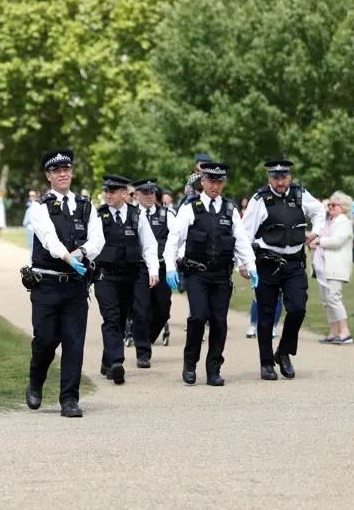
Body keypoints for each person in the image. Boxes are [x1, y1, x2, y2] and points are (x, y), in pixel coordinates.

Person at [25, 149, 105, 418]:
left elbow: (97, 239)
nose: (63, 174)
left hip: (75, 286)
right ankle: (36, 380)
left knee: (73, 342)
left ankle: (69, 399)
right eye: (57, 171)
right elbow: (47, 237)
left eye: (66, 170)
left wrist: (82, 253)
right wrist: (67, 255)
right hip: (46, 284)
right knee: (46, 340)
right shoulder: (40, 206)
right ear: (48, 176)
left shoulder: (86, 205)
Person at [164, 162, 257, 386]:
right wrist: (169, 267)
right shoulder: (190, 207)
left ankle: (214, 368)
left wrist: (250, 265)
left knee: (219, 322)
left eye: (219, 182)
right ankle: (190, 363)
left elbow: (242, 241)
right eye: (211, 181)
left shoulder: (229, 209)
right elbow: (174, 240)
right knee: (197, 317)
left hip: (221, 276)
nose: (215, 186)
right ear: (202, 182)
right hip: (197, 273)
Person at [241, 160, 325, 381]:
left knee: (297, 309)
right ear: (269, 178)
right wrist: (243, 262)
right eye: (276, 177)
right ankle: (266, 363)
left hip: (294, 263)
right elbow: (245, 233)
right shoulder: (259, 199)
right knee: (266, 315)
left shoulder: (300, 195)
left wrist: (315, 232)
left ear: (290, 176)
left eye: (284, 177)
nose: (280, 181)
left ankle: (284, 352)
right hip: (267, 263)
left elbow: (319, 212)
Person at [93, 174, 158, 384]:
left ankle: (107, 361)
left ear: (123, 193)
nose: (108, 195)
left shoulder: (137, 216)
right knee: (111, 318)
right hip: (105, 276)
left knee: (121, 319)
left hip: (130, 276)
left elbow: (149, 245)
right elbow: (91, 245)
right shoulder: (98, 216)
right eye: (106, 192)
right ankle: (116, 363)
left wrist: (153, 270)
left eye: (112, 192)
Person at [131, 178, 173, 366]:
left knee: (163, 310)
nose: (149, 196)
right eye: (145, 193)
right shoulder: (131, 215)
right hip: (139, 269)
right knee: (141, 311)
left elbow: (176, 239)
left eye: (152, 193)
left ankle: (146, 337)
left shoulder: (166, 215)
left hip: (162, 268)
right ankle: (143, 352)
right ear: (137, 194)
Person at [313, 191, 354, 344]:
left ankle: (345, 331)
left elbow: (336, 241)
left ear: (343, 207)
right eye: (329, 204)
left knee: (334, 298)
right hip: (324, 267)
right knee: (326, 300)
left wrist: (318, 242)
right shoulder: (329, 221)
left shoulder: (344, 222)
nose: (330, 207)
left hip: (336, 267)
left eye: (334, 205)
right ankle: (333, 332)